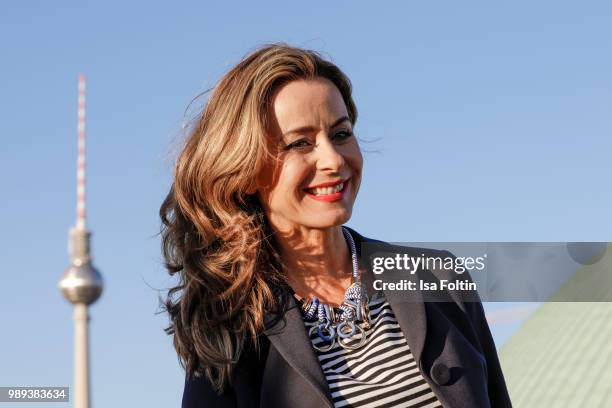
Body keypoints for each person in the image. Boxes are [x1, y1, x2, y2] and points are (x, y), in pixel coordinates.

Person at [159, 43, 512, 408]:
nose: (332, 159)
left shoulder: (439, 277)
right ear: (245, 172)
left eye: (341, 134)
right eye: (299, 143)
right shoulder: (228, 327)